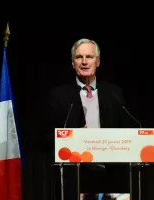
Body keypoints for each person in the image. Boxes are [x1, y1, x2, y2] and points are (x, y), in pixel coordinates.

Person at [42, 38, 139, 200]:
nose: (84, 62)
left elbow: (129, 131)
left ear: (98, 61)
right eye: (79, 57)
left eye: (89, 57)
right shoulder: (59, 95)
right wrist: (75, 137)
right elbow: (45, 137)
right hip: (75, 176)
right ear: (73, 63)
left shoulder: (114, 93)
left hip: (112, 176)